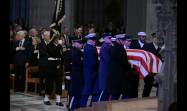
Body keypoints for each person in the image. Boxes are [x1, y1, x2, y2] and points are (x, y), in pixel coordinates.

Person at [105, 34, 131, 100]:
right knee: (117, 95)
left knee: (116, 94)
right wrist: (129, 66)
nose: (124, 41)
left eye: (124, 40)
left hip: (117, 76)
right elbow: (123, 61)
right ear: (118, 40)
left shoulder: (115, 47)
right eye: (123, 40)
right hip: (118, 76)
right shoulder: (119, 48)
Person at [43, 31, 64, 106]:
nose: (58, 39)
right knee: (49, 83)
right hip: (51, 66)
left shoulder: (60, 46)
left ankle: (58, 100)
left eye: (59, 38)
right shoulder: (49, 45)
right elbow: (54, 53)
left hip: (58, 65)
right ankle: (46, 99)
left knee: (59, 83)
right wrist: (59, 45)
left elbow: (62, 55)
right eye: (57, 38)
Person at [80, 33, 100, 107]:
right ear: (90, 40)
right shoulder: (89, 48)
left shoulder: (89, 47)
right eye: (94, 40)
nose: (95, 41)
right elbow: (93, 62)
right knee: (87, 90)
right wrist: (99, 63)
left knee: (92, 90)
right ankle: (82, 106)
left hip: (92, 72)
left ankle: (89, 105)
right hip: (89, 72)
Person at [142, 32, 162, 97]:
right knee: (148, 86)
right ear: (153, 38)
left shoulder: (161, 48)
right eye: (155, 38)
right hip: (149, 70)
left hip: (158, 71)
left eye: (158, 38)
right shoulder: (147, 46)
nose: (157, 40)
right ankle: (144, 100)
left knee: (159, 87)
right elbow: (143, 56)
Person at [69, 38, 84, 111]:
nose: (81, 45)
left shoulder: (79, 52)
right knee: (75, 93)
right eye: (79, 43)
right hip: (76, 75)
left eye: (81, 43)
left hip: (80, 75)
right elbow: (80, 63)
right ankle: (71, 107)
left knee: (78, 93)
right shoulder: (74, 52)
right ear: (75, 43)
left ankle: (76, 107)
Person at [98, 33, 113, 101]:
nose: (110, 39)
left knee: (107, 90)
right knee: (104, 90)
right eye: (108, 38)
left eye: (110, 38)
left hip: (107, 71)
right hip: (105, 71)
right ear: (104, 39)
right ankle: (99, 106)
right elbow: (108, 60)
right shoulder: (105, 47)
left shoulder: (108, 46)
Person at [38, 30, 50, 95]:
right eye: (48, 36)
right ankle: (41, 90)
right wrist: (49, 52)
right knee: (41, 78)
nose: (49, 37)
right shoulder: (41, 43)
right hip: (42, 63)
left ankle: (46, 90)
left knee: (47, 78)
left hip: (48, 63)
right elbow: (42, 53)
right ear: (45, 36)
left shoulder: (50, 43)